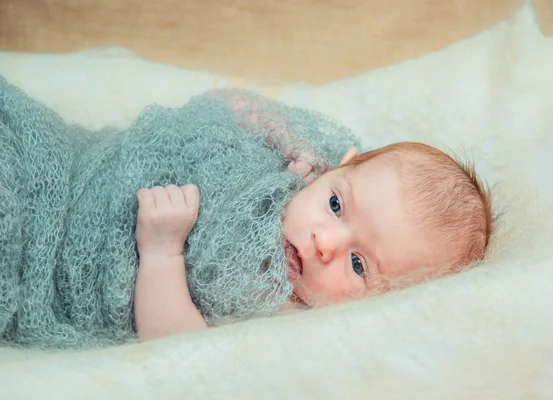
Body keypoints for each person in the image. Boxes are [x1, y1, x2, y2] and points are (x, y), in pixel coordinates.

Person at [133, 90, 492, 341]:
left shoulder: (283, 314)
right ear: (339, 166)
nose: (325, 242)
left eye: (358, 265)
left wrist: (162, 253)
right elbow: (222, 105)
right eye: (335, 206)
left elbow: (179, 347)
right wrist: (285, 139)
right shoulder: (303, 169)